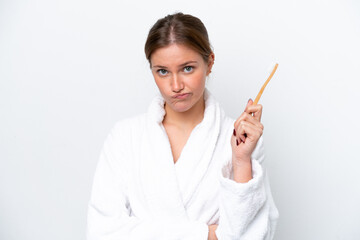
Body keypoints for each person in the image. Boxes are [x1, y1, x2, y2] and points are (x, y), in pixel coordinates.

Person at [86, 12, 279, 240]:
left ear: (210, 63)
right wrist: (205, 234)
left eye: (187, 68)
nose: (176, 85)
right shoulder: (124, 138)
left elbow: (253, 234)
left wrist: (240, 160)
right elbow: (102, 232)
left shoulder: (241, 141)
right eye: (163, 71)